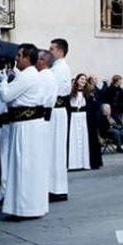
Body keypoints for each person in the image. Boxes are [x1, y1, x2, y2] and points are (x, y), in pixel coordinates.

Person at [0, 44, 48, 219]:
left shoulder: (27, 76)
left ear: (27, 58)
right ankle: (29, 206)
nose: (16, 58)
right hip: (29, 124)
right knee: (29, 166)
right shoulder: (30, 75)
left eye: (19, 55)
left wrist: (2, 81)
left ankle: (24, 208)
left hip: (25, 126)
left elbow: (6, 96)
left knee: (23, 165)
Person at [35, 51, 62, 199]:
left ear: (43, 61)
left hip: (39, 117)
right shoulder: (49, 76)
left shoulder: (42, 77)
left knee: (39, 156)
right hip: (45, 117)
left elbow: (37, 98)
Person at [48, 38, 72, 202]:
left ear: (60, 51)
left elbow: (50, 91)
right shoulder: (57, 68)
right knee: (54, 149)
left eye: (52, 49)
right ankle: (54, 186)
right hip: (57, 110)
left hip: (55, 110)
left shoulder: (59, 69)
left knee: (55, 149)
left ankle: (56, 188)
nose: (49, 52)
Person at [66, 74, 91, 171]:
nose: (83, 81)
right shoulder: (71, 92)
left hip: (83, 116)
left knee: (83, 138)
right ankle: (73, 163)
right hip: (74, 117)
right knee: (73, 138)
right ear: (77, 80)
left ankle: (83, 162)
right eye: (81, 79)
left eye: (85, 79)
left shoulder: (87, 93)